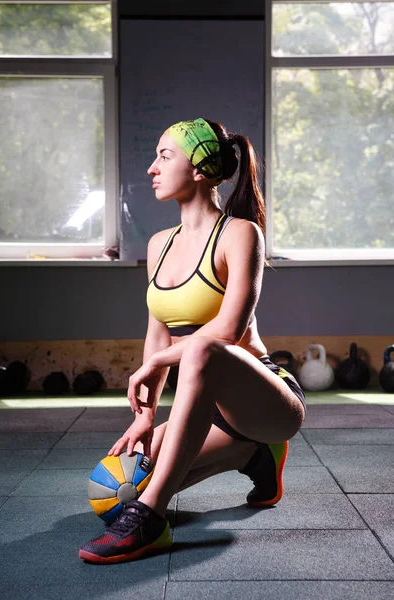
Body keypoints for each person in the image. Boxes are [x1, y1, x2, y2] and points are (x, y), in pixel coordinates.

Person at [79, 118, 306, 564]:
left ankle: (152, 520)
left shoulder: (241, 234)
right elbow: (156, 334)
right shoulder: (160, 244)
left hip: (265, 398)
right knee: (118, 491)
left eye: (164, 156)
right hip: (214, 413)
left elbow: (227, 330)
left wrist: (159, 360)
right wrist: (145, 418)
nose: (151, 168)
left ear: (200, 170)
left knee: (204, 347)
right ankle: (257, 458)